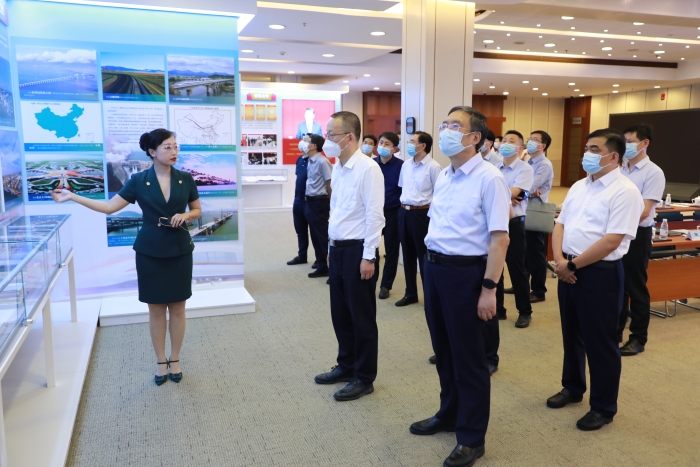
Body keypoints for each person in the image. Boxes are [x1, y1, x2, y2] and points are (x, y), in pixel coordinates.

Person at [51, 129, 201, 386]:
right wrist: (73, 196)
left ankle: (175, 359)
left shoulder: (185, 179)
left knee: (178, 307)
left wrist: (186, 215)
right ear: (152, 152)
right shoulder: (139, 181)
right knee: (156, 309)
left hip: (179, 250)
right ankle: (160, 361)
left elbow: (197, 210)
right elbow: (110, 207)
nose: (174, 151)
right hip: (150, 251)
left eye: (176, 146)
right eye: (167, 147)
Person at [410, 106, 510, 467]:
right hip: (435, 269)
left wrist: (489, 289)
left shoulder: (489, 178)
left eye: (455, 126)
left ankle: (471, 437)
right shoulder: (446, 175)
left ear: (474, 138)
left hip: (467, 274)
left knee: (469, 358)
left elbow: (499, 238)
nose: (446, 131)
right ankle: (449, 413)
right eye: (445, 125)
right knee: (444, 350)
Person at [548, 128, 643, 431]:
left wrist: (572, 265)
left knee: (600, 342)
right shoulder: (579, 185)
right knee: (571, 333)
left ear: (613, 157)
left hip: (599, 273)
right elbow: (560, 223)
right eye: (586, 148)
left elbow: (612, 240)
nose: (586, 154)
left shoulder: (625, 191)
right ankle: (572, 387)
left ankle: (603, 407)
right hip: (568, 267)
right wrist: (561, 261)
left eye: (594, 149)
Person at [314, 111, 385, 402]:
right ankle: (346, 365)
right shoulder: (339, 167)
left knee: (361, 317)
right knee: (340, 313)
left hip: (359, 251)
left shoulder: (368, 169)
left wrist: (369, 257)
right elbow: (337, 212)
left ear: (349, 137)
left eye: (331, 134)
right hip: (339, 249)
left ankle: (364, 377)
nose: (327, 139)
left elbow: (374, 216)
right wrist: (330, 248)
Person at [617, 124, 665, 356]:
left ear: (645, 143)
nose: (625, 145)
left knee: (635, 287)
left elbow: (645, 211)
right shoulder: (620, 168)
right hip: (616, 233)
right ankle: (615, 331)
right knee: (616, 285)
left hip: (636, 235)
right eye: (623, 141)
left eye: (630, 141)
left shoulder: (653, 172)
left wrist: (617, 226)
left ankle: (638, 337)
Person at [396, 130, 441, 307]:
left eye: (412, 141)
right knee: (407, 254)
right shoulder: (406, 165)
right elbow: (402, 188)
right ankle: (410, 293)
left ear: (422, 146)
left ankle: (429, 296)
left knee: (423, 256)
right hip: (404, 212)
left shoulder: (433, 167)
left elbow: (439, 195)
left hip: (422, 214)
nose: (408, 144)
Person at [496, 130, 535, 328]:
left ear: (519, 148)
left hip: (514, 222)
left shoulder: (525, 169)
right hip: (495, 221)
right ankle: (498, 309)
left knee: (516, 268)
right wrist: (507, 196)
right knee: (495, 266)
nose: (505, 143)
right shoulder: (494, 167)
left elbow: (517, 192)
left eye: (511, 141)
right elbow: (503, 193)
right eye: (503, 140)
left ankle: (524, 311)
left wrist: (501, 194)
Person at [525, 130, 554, 303]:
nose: (530, 141)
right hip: (524, 208)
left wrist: (527, 190)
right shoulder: (527, 161)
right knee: (523, 251)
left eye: (535, 139)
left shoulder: (544, 164)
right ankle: (522, 285)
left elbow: (529, 187)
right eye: (530, 138)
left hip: (535, 212)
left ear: (543, 146)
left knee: (535, 252)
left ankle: (538, 290)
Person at [376, 131, 403, 300]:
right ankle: (370, 279)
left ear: (394, 148)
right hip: (374, 212)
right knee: (370, 247)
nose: (383, 146)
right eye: (381, 143)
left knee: (391, 250)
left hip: (393, 212)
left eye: (387, 144)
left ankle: (386, 285)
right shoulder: (371, 165)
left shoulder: (402, 166)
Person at [303, 133, 332, 279]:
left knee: (322, 236)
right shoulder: (310, 160)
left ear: (313, 146)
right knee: (314, 235)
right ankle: (321, 265)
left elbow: (329, 184)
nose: (302, 143)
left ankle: (330, 268)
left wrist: (330, 204)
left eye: (306, 141)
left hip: (320, 202)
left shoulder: (322, 161)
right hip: (310, 201)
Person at [287, 140, 310, 266]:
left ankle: (321, 260)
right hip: (298, 200)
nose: (302, 142)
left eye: (306, 140)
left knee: (316, 233)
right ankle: (302, 255)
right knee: (300, 230)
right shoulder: (299, 159)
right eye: (303, 139)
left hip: (310, 201)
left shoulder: (316, 161)